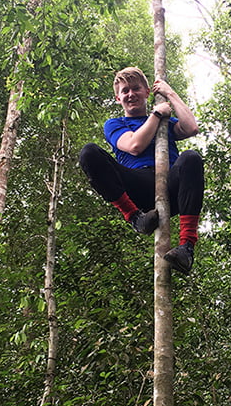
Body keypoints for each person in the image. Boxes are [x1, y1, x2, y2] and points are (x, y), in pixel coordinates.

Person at [79, 66, 204, 274]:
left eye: (136, 89)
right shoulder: (115, 124)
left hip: (171, 186)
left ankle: (187, 248)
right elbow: (134, 146)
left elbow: (191, 128)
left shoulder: (166, 123)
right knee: (89, 153)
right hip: (137, 187)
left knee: (191, 157)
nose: (130, 94)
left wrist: (169, 93)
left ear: (147, 92)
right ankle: (135, 218)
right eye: (125, 91)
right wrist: (156, 114)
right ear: (118, 99)